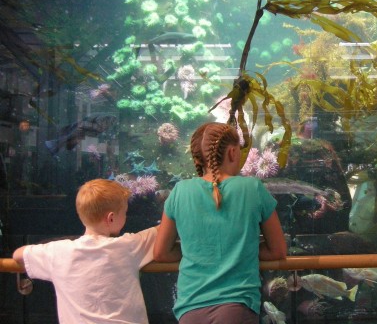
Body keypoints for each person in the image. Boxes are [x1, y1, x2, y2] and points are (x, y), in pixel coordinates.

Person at [154, 122, 287, 324]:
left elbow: (161, 253)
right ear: (233, 152)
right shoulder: (252, 188)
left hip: (190, 308)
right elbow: (278, 250)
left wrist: (199, 251)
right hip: (237, 305)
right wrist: (240, 250)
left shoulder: (180, 191)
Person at [12, 179, 158, 323]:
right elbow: (163, 231)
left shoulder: (58, 252)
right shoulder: (129, 245)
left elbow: (18, 254)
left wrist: (54, 244)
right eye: (125, 213)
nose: (126, 217)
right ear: (111, 218)